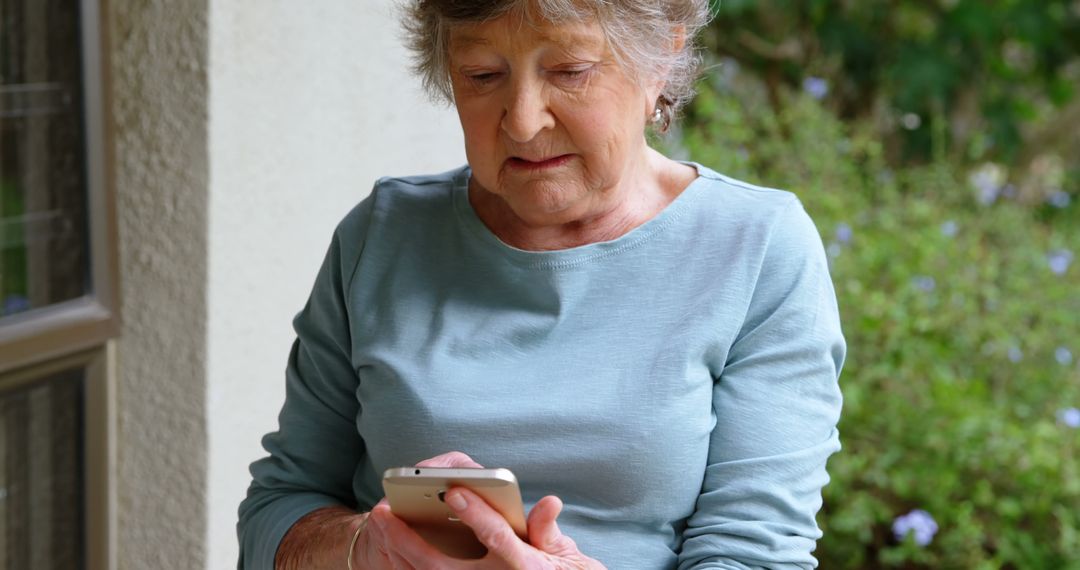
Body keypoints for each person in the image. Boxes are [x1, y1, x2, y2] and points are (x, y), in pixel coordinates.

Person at [237, 0, 845, 568]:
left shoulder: (757, 246)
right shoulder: (382, 236)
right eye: (480, 75)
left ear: (659, 60)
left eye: (569, 71)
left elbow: (755, 553)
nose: (524, 122)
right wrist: (361, 549)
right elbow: (279, 509)